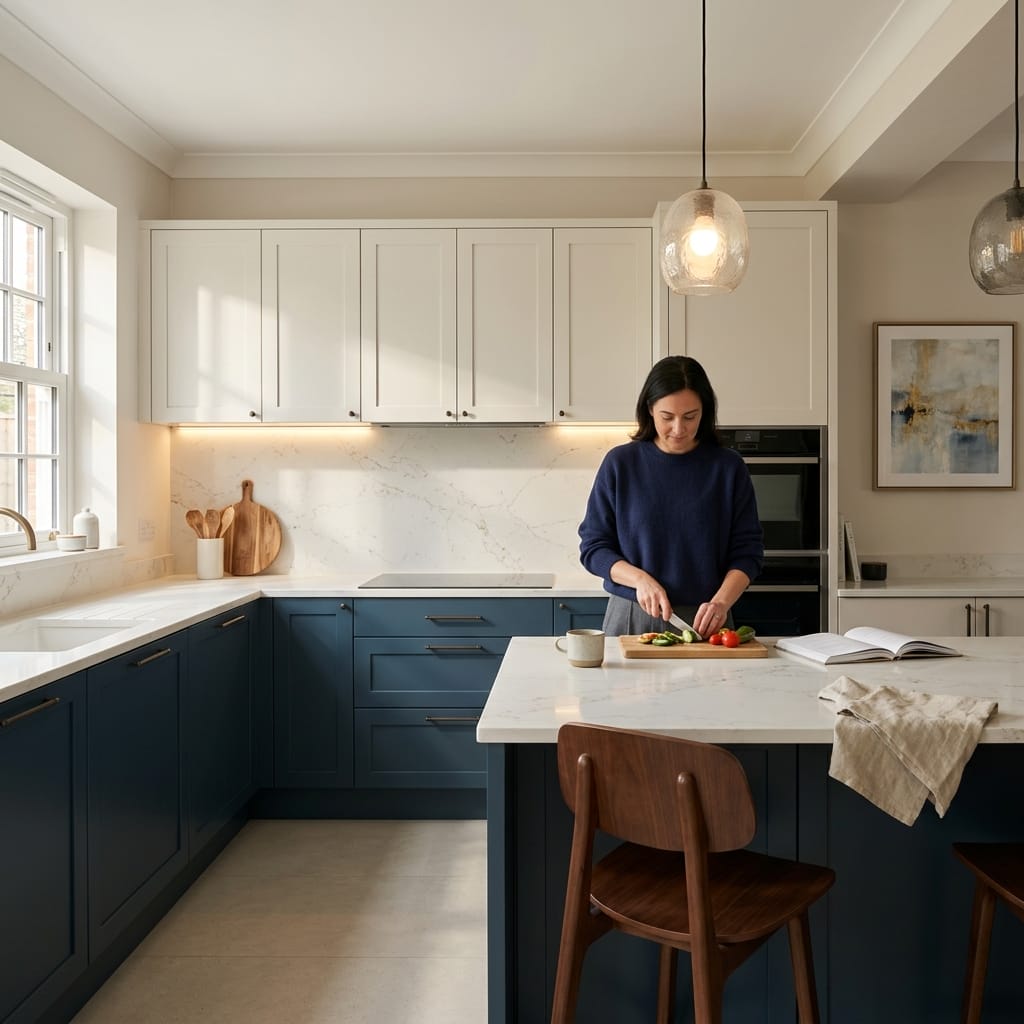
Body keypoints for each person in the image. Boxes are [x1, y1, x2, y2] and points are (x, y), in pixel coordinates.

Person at [578, 355, 763, 638]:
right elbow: (593, 547)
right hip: (633, 615)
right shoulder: (620, 464)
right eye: (668, 417)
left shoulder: (727, 467)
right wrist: (640, 580)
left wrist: (721, 602)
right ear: (650, 409)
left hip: (708, 619)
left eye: (690, 417)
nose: (679, 429)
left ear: (705, 411)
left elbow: (748, 552)